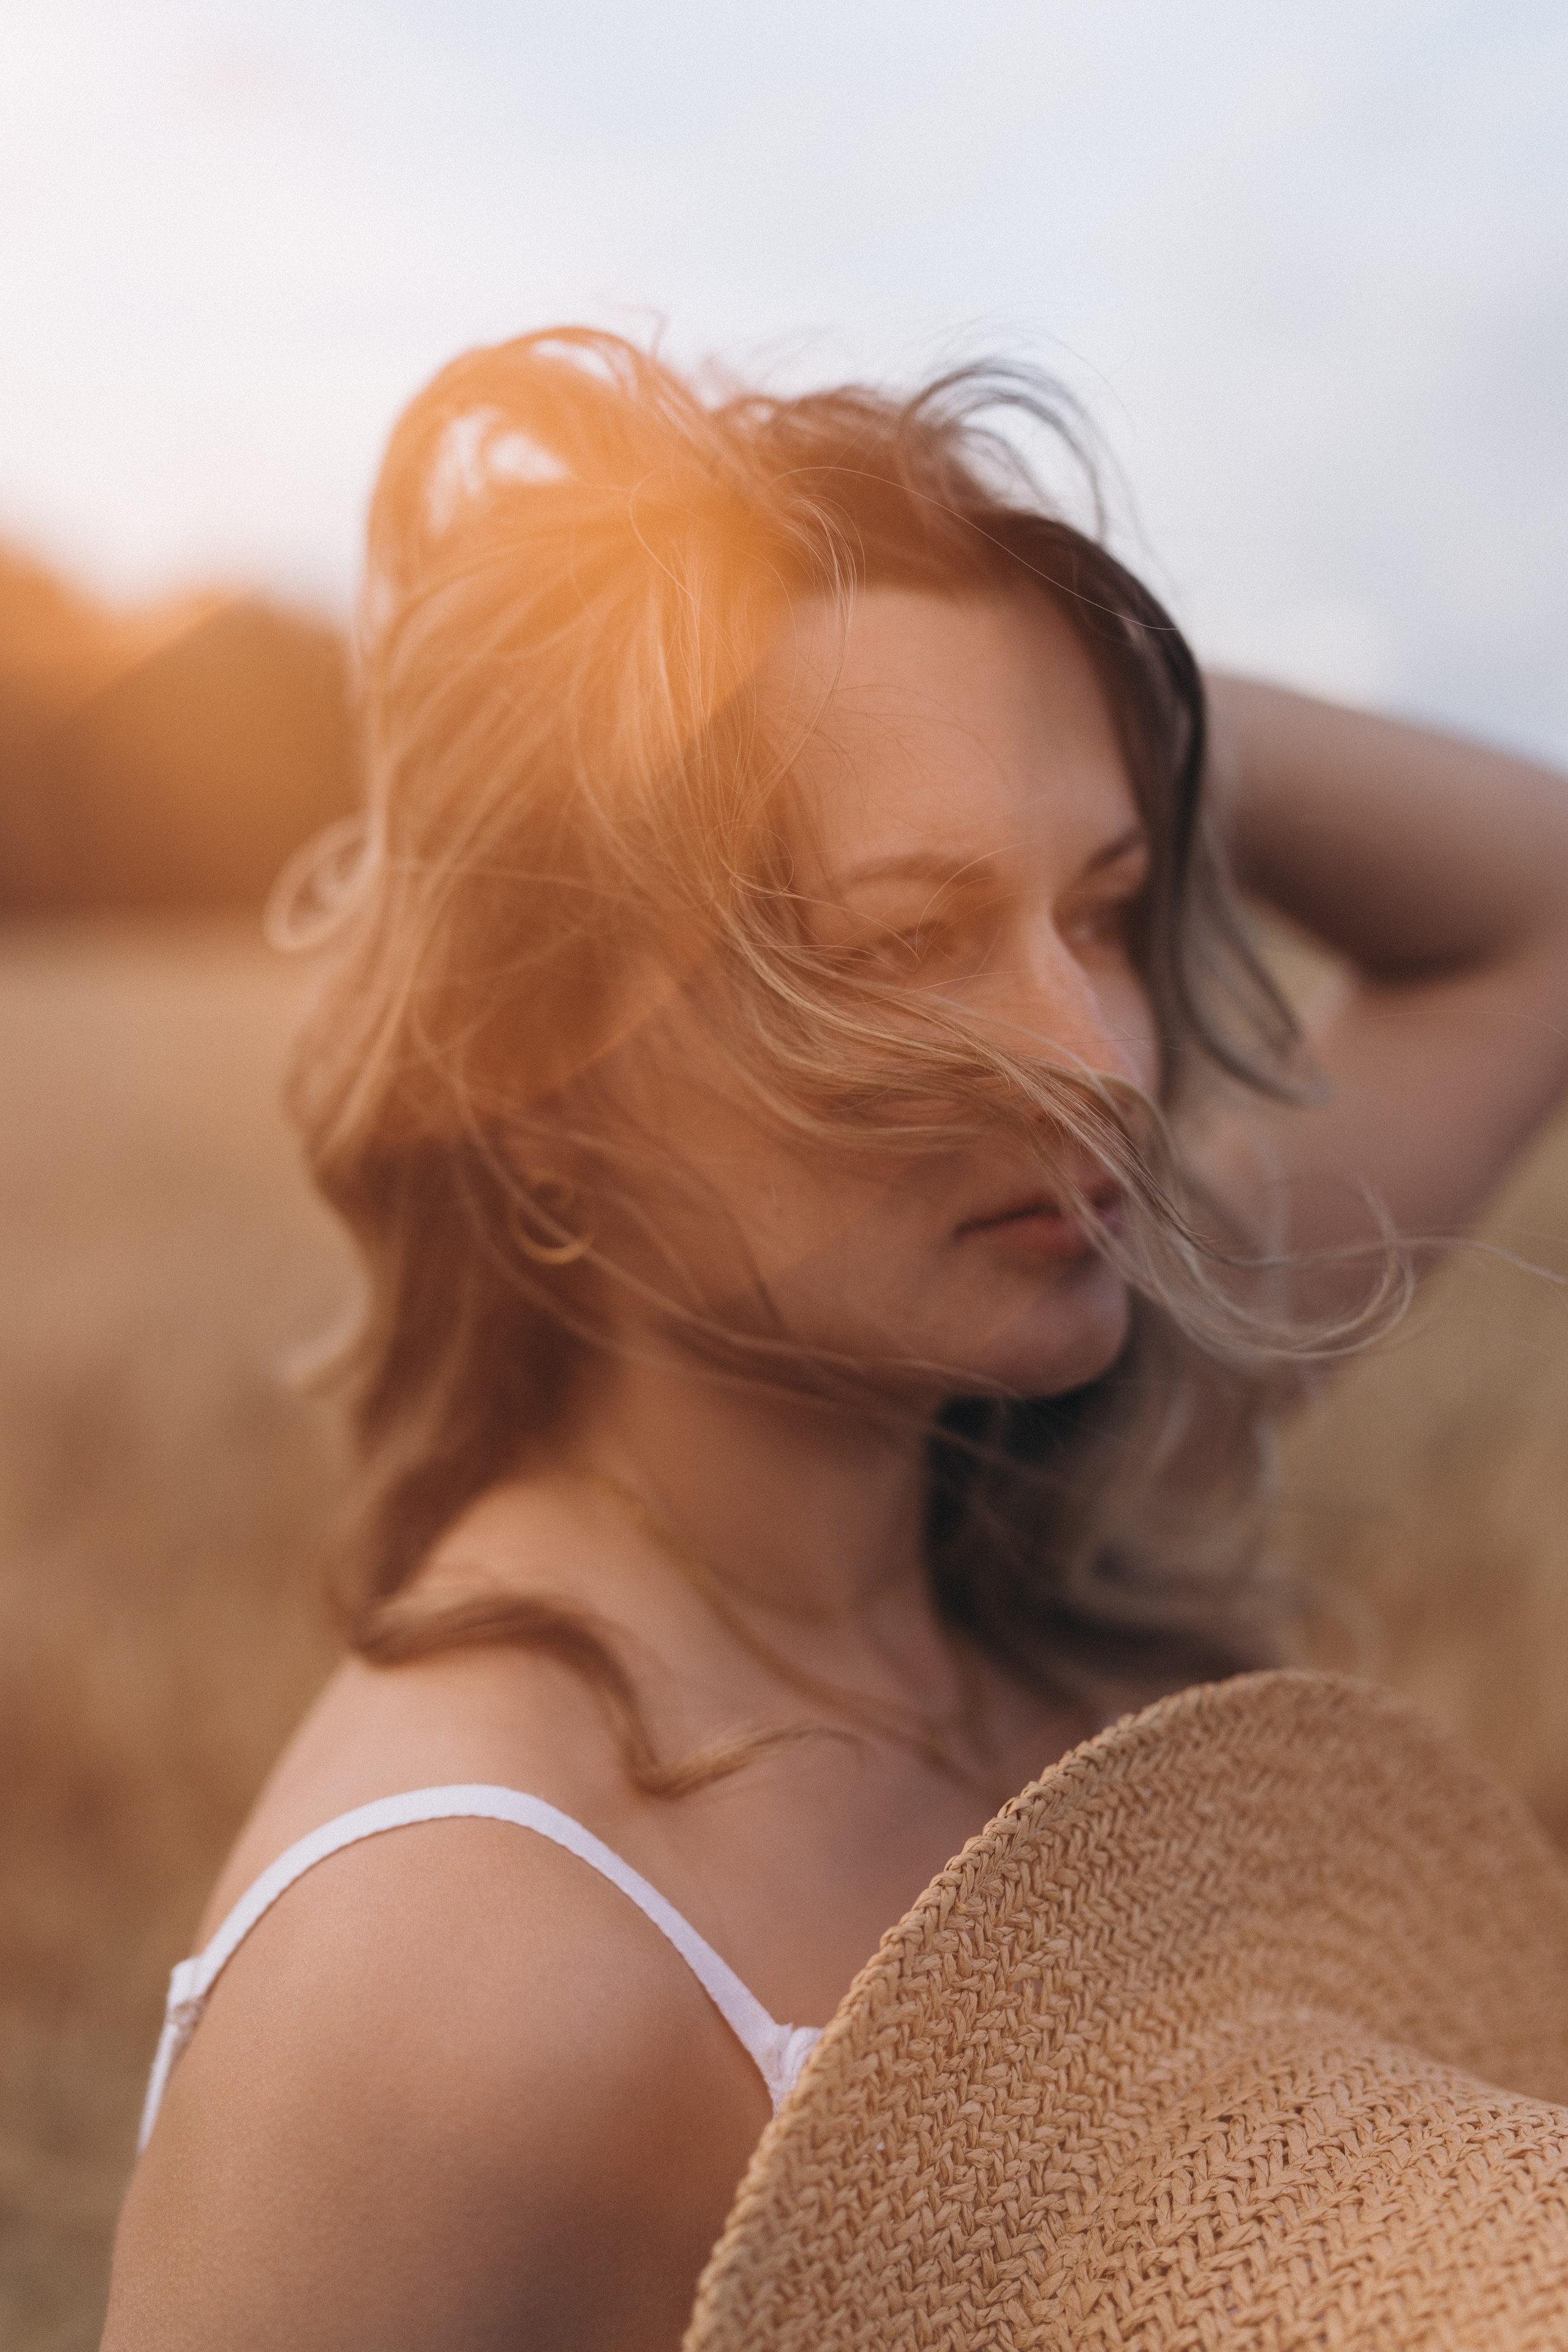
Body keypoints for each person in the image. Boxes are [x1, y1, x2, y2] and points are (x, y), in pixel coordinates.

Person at [101, 331, 1568, 2350]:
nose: (1103, 1065)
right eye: (904, 944)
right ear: (535, 1068)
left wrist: (1052, 694)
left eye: (1109, 908)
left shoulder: (1051, 1479)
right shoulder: (444, 1981)